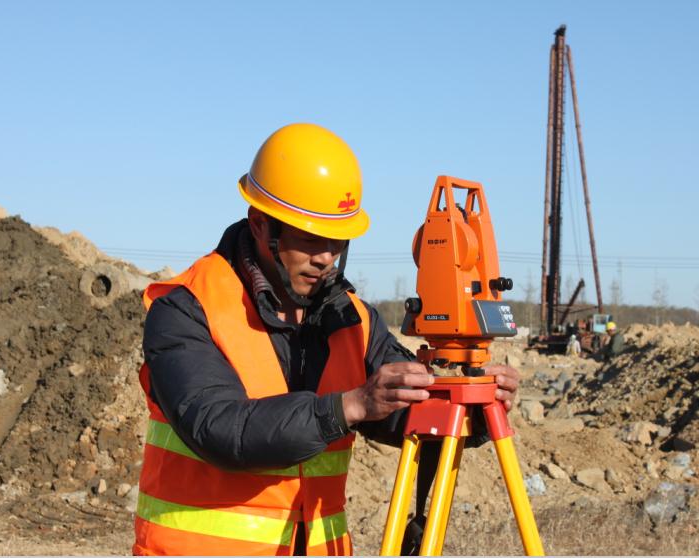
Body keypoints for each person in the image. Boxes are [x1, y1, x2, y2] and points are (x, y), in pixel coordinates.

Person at [132, 123, 520, 556]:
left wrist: (470, 403)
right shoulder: (187, 309)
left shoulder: (351, 319)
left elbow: (406, 415)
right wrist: (348, 405)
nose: (325, 258)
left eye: (336, 241)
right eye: (310, 239)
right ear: (260, 225)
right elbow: (220, 428)